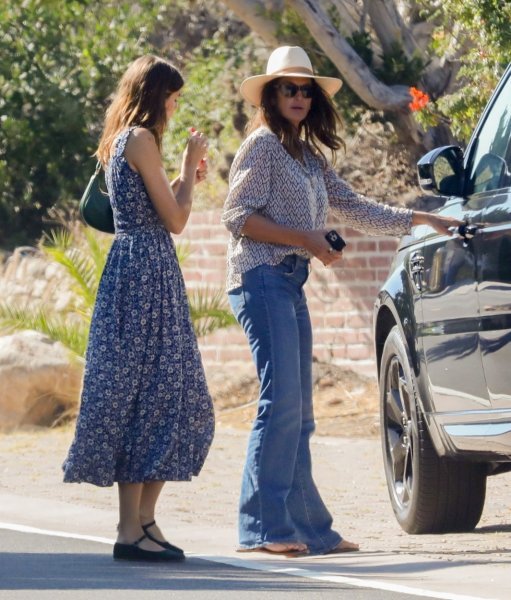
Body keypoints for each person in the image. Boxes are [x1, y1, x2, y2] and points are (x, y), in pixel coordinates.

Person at [222, 46, 462, 556]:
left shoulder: (307, 156)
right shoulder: (261, 146)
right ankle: (261, 528)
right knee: (280, 403)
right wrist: (306, 238)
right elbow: (237, 217)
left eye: (306, 89)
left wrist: (422, 220)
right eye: (289, 88)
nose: (299, 96)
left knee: (301, 412)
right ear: (269, 95)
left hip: (288, 280)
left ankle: (309, 530)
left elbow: (352, 207)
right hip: (259, 277)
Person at [63, 55, 214, 562]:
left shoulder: (120, 140)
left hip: (136, 270)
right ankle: (132, 530)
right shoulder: (142, 139)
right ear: (154, 95)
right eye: (172, 96)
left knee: (154, 395)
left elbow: (152, 208)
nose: (175, 105)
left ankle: (141, 524)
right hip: (147, 270)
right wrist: (190, 174)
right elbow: (174, 219)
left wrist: (183, 173)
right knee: (159, 396)